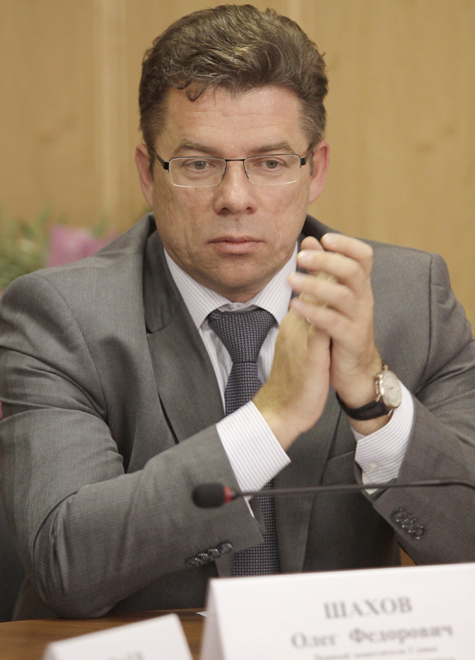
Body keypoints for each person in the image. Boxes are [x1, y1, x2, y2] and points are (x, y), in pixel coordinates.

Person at [1, 4, 475, 621]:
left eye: (270, 163)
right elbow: (65, 564)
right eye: (198, 164)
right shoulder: (60, 317)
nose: (235, 198)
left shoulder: (411, 301)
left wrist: (371, 402)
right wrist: (272, 417)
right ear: (148, 173)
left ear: (315, 169)